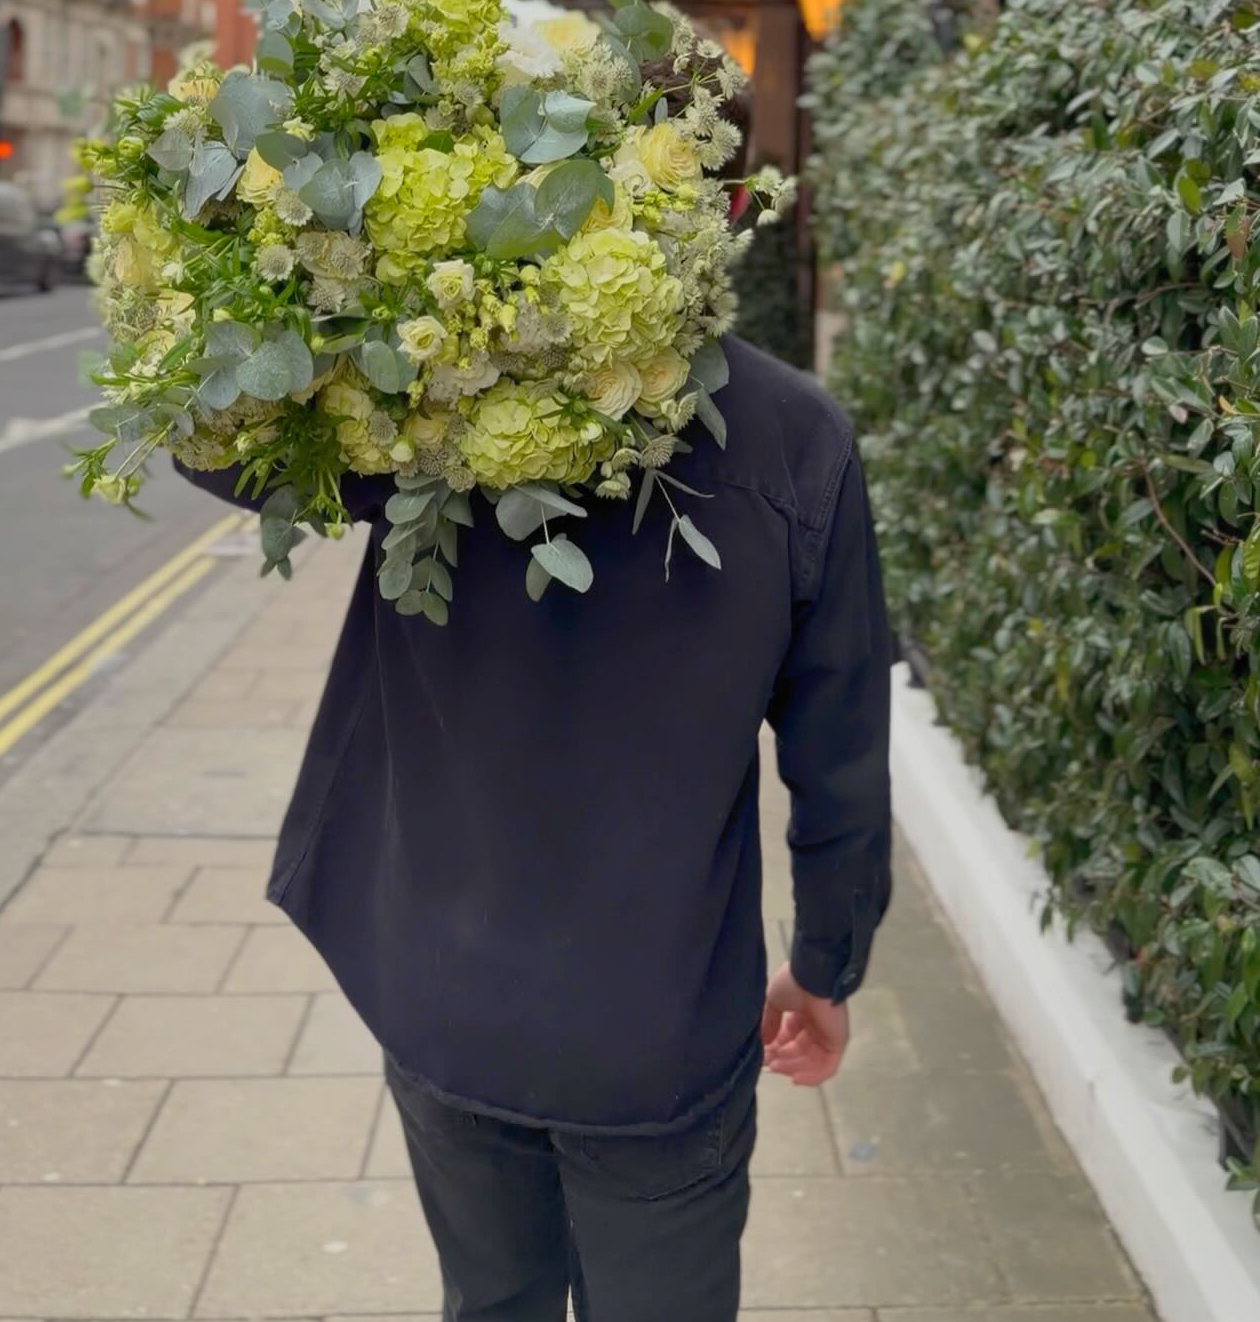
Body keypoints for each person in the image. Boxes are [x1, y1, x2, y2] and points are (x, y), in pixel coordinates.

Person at [180, 332, 892, 1322]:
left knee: (490, 1299)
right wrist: (824, 966)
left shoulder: (428, 378)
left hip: (444, 985)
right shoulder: (789, 433)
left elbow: (213, 438)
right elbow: (841, 751)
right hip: (656, 1020)